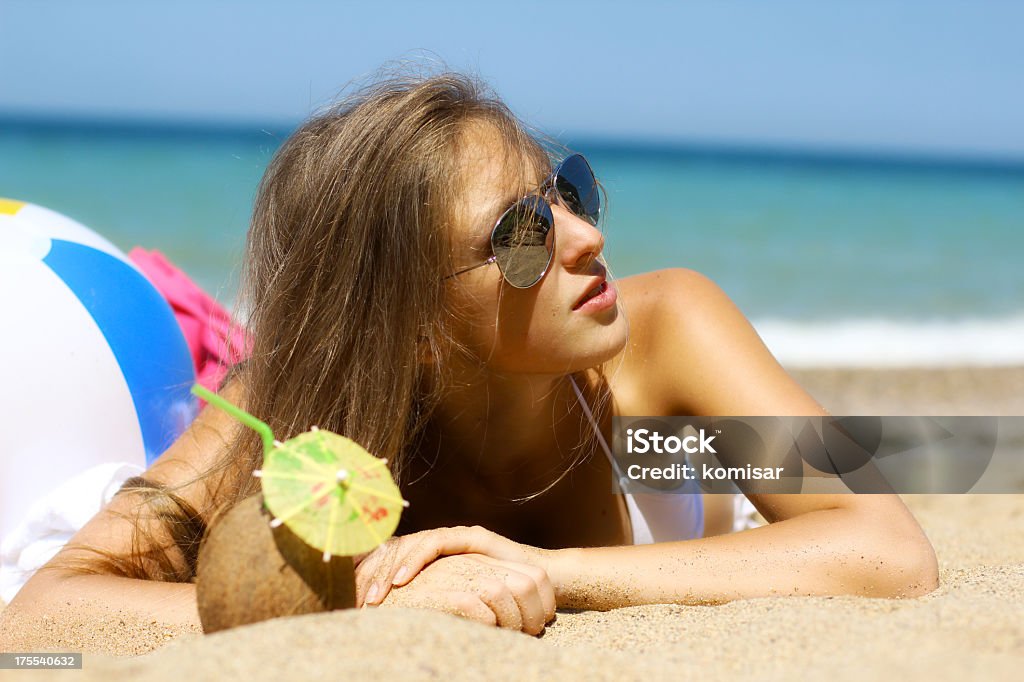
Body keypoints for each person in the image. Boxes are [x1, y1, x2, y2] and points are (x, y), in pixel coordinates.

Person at [5, 70, 938, 637]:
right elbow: (50, 613)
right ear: (407, 321)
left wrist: (539, 570)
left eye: (567, 193)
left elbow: (887, 549)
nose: (583, 238)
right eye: (522, 233)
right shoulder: (298, 404)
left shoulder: (666, 336)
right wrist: (376, 609)